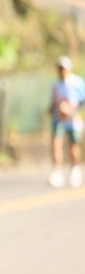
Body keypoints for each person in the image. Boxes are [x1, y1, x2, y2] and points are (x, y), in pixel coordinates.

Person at [48, 56, 85, 188]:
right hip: (58, 118)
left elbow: (81, 100)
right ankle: (57, 170)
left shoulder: (77, 82)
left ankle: (75, 168)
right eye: (60, 68)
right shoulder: (55, 85)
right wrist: (54, 109)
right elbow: (53, 102)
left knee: (73, 146)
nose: (62, 71)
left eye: (64, 68)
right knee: (56, 144)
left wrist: (71, 109)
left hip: (73, 119)